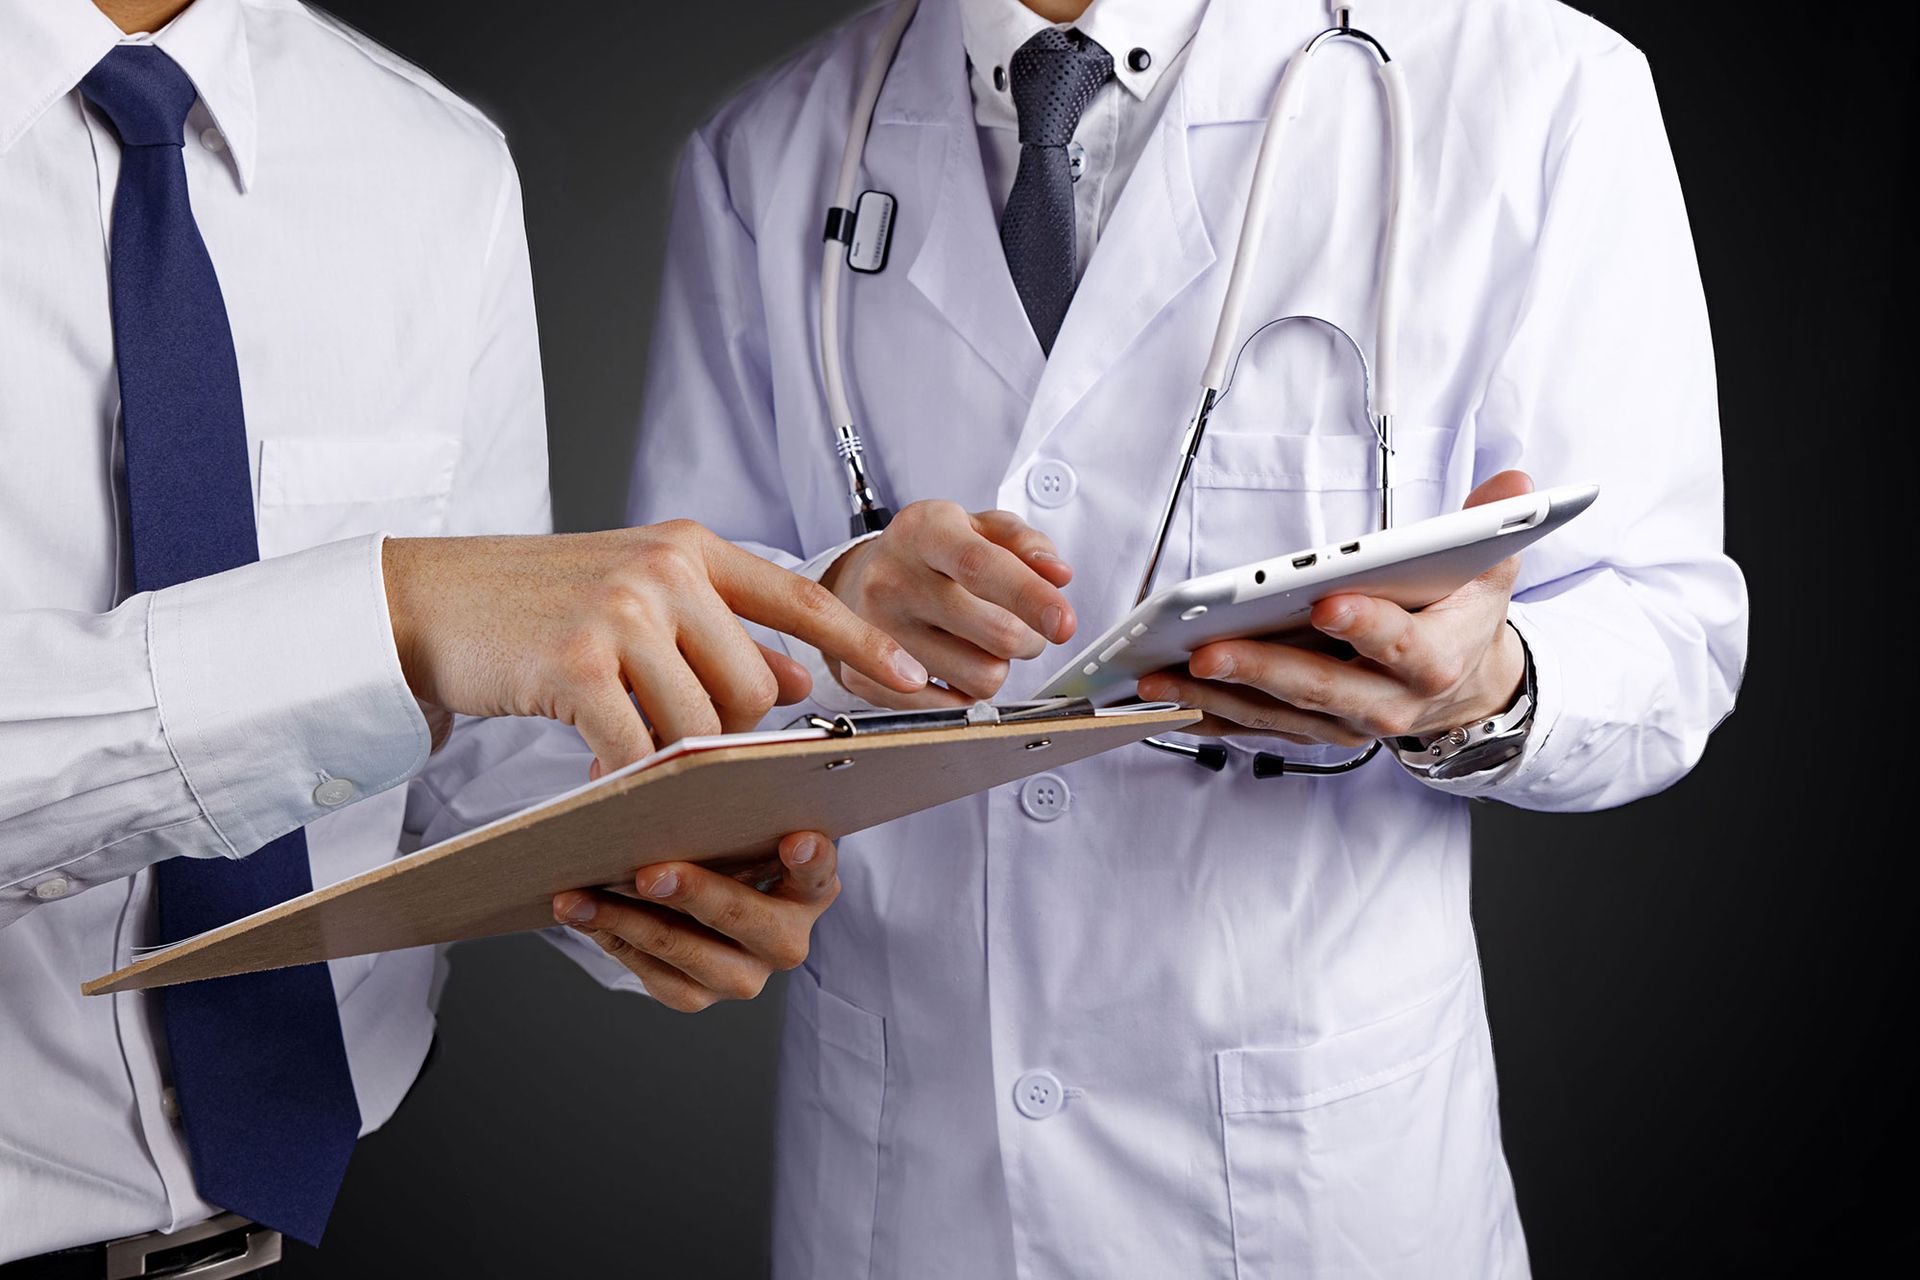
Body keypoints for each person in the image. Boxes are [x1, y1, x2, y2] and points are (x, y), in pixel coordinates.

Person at [629, 0, 1750, 1273]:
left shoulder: (1537, 86)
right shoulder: (772, 149)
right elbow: (658, 652)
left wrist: (1484, 689)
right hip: (912, 1188)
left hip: (1320, 1190)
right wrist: (826, 609)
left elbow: (1670, 628)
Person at [0, 0, 931, 1270]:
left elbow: (451, 751)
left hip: (302, 1231)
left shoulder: (429, 162)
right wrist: (386, 617)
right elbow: (402, 637)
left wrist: (677, 809)